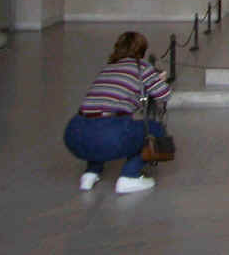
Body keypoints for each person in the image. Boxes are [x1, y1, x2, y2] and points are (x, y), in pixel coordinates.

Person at [63, 31, 171, 194]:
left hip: (74, 133)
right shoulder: (141, 67)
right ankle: (130, 175)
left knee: (97, 128)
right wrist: (159, 80)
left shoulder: (108, 68)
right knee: (156, 130)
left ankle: (90, 173)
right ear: (142, 50)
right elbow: (164, 95)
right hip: (109, 133)